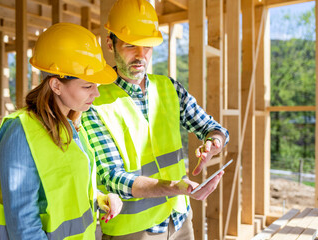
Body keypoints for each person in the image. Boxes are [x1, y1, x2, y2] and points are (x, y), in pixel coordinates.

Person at [81, 0, 230, 239]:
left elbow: (214, 128)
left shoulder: (168, 88)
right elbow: (114, 178)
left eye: (148, 46)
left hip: (180, 220)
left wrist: (214, 143)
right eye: (131, 45)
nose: (141, 55)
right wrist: (175, 188)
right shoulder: (94, 102)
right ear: (110, 44)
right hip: (133, 231)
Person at [0, 22, 123, 240]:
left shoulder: (70, 124)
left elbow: (58, 190)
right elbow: (24, 227)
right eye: (88, 86)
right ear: (56, 86)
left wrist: (98, 197)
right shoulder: (21, 133)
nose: (96, 94)